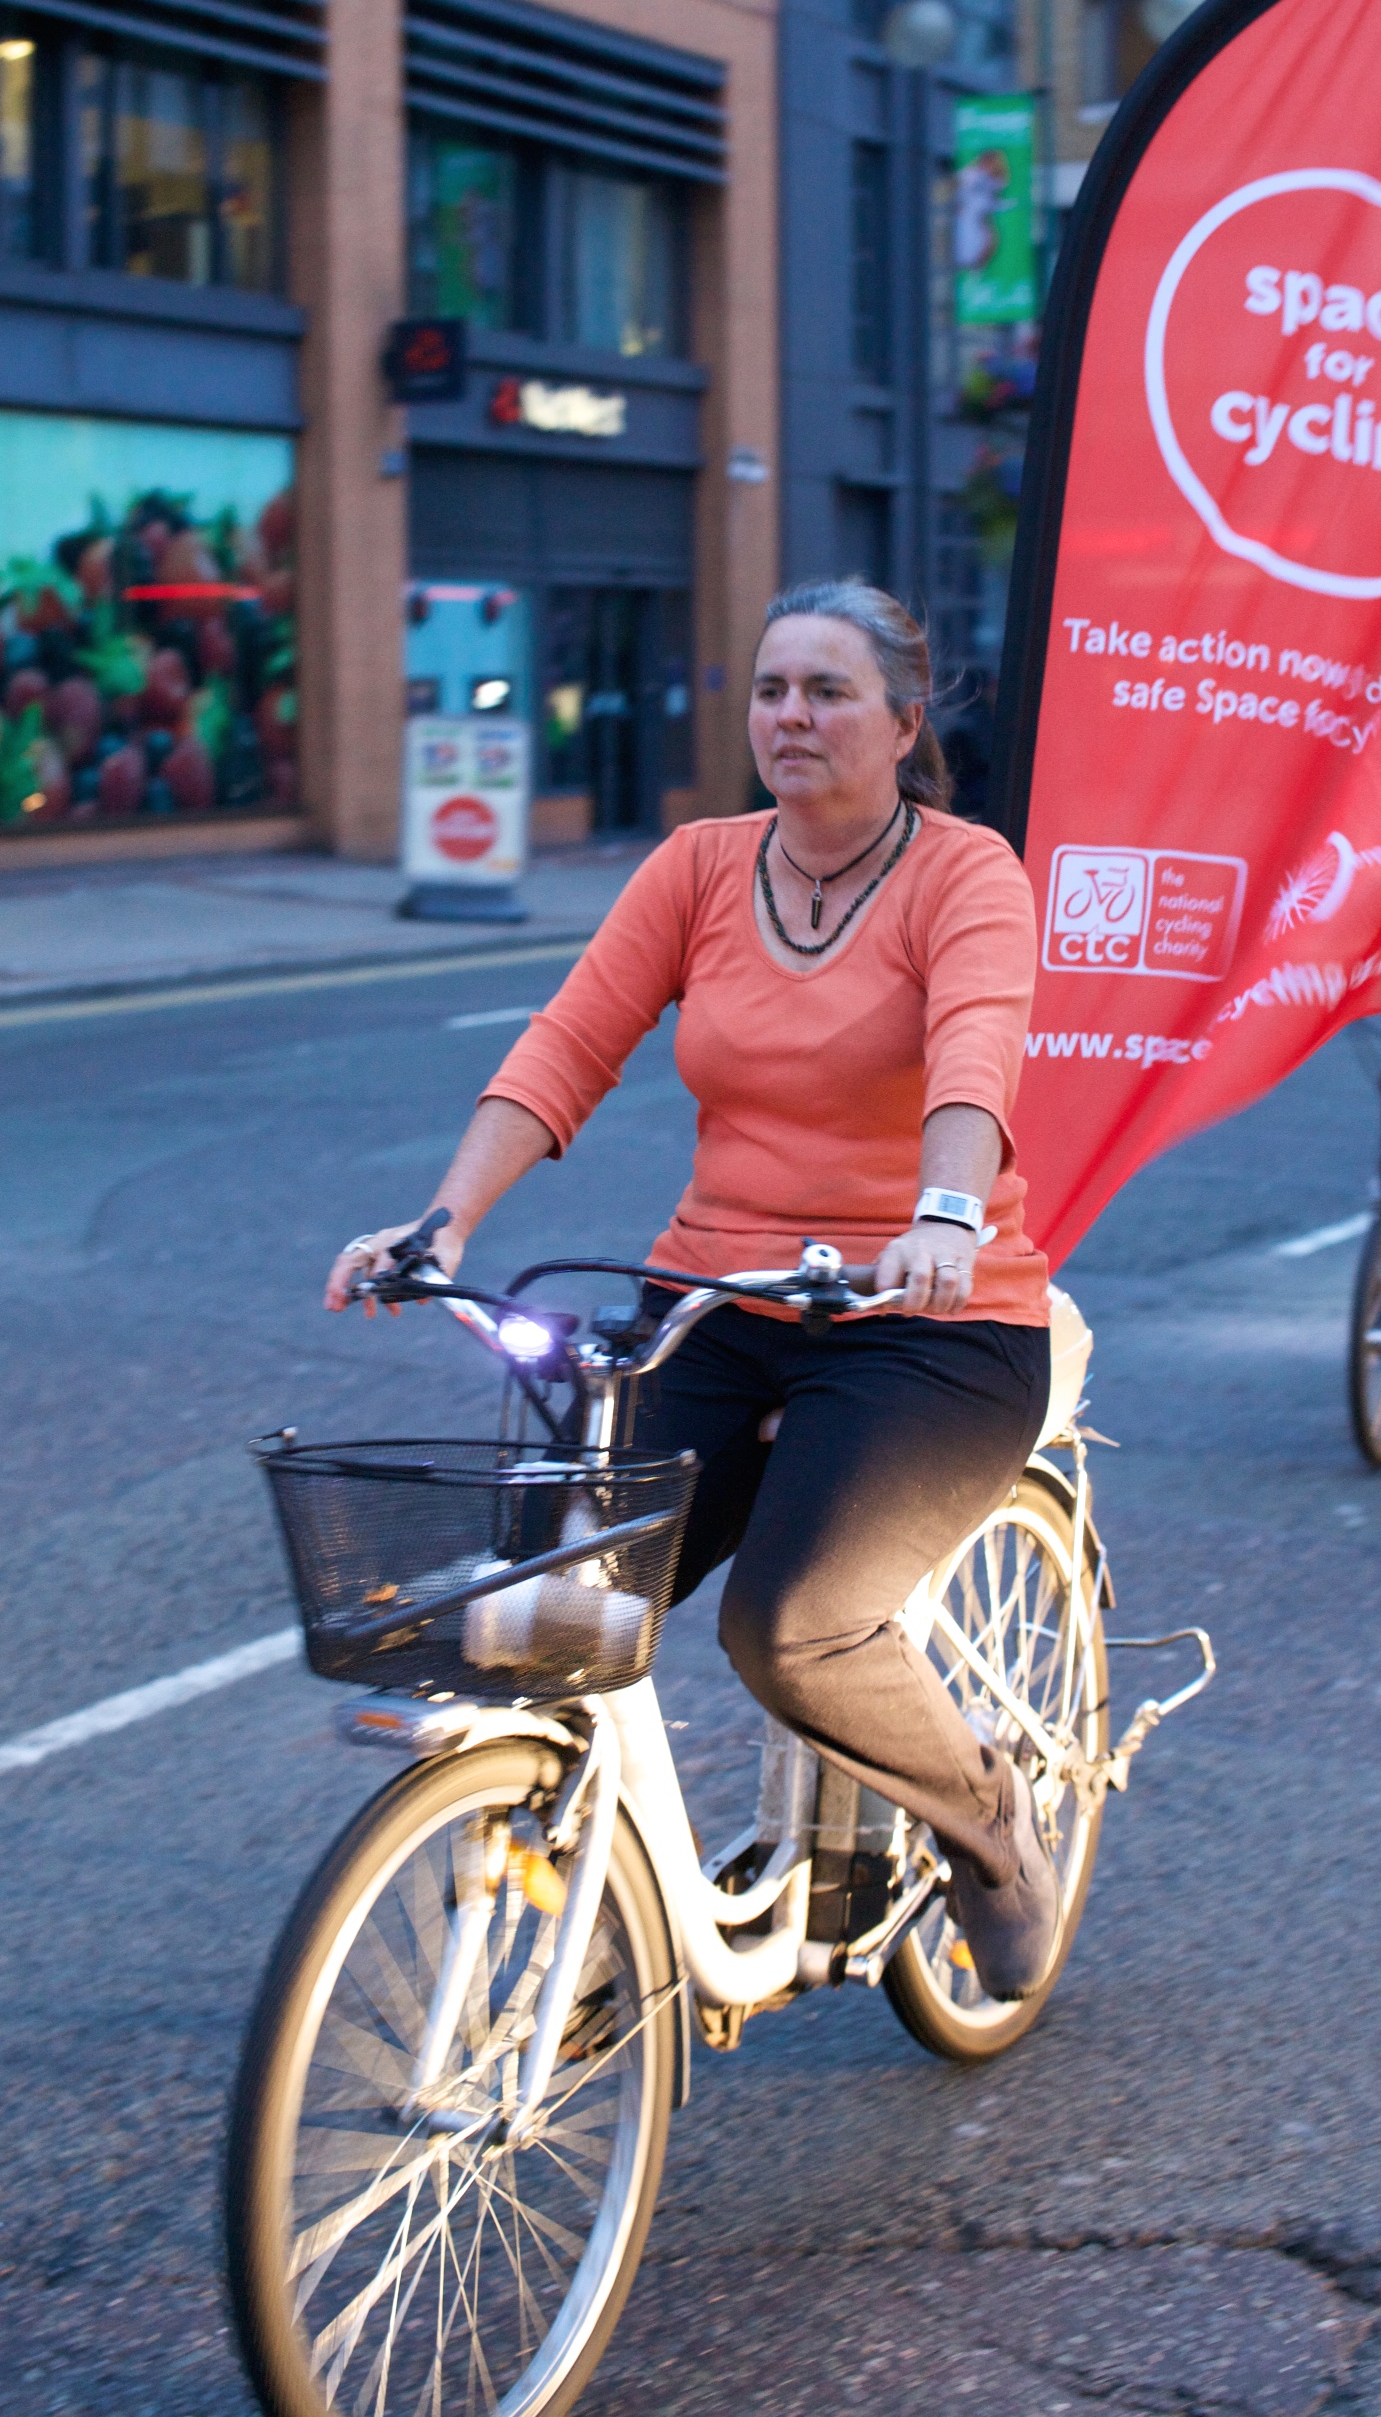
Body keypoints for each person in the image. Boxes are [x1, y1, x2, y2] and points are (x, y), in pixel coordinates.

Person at [327, 580, 1060, 2000]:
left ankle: (986, 1823)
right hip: (716, 1304)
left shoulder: (966, 872)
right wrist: (442, 1220)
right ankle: (590, 1926)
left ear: (901, 721)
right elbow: (569, 1042)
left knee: (789, 1626)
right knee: (550, 1606)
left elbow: (977, 1048)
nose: (790, 714)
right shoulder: (700, 865)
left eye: (827, 690)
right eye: (772, 687)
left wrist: (943, 1213)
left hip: (923, 1317)